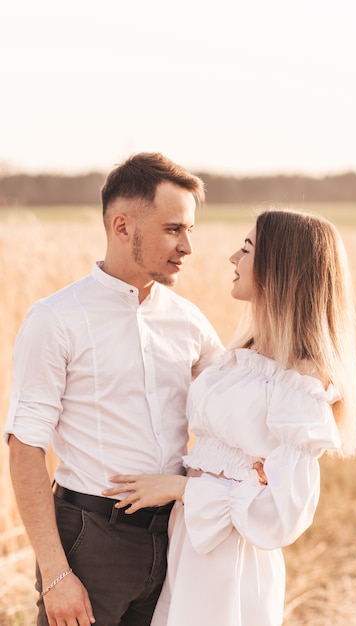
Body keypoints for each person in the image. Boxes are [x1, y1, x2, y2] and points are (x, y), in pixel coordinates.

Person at [103, 208, 356, 626]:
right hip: (191, 544)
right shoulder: (245, 356)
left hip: (232, 562)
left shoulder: (301, 383)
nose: (232, 258)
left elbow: (284, 517)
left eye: (246, 248)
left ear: (281, 268)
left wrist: (182, 488)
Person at [4, 152, 224, 626]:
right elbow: (24, 449)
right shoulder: (56, 318)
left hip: (176, 540)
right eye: (173, 229)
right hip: (89, 541)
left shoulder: (189, 321)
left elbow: (233, 407)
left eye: (189, 230)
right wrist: (56, 573)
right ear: (122, 227)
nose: (187, 246)